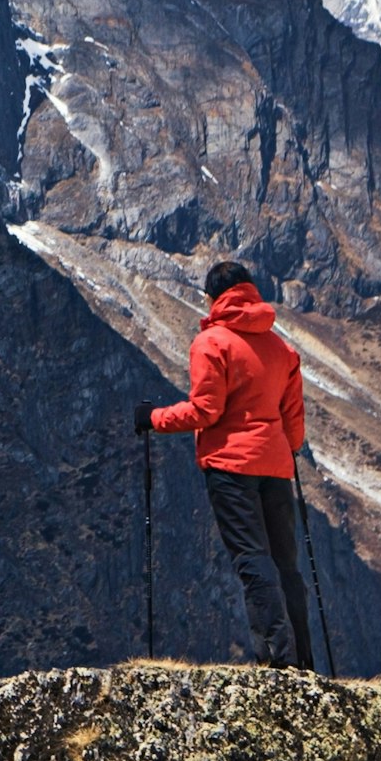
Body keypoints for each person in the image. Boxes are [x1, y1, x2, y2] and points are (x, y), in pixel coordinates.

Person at [148, 260, 314, 670]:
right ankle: (302, 659)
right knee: (285, 564)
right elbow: (294, 422)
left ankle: (276, 659)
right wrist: (281, 448)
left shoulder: (212, 343)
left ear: (211, 297)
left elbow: (206, 410)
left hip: (230, 466)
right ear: (251, 292)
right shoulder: (281, 348)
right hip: (276, 467)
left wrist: (153, 419)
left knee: (252, 558)